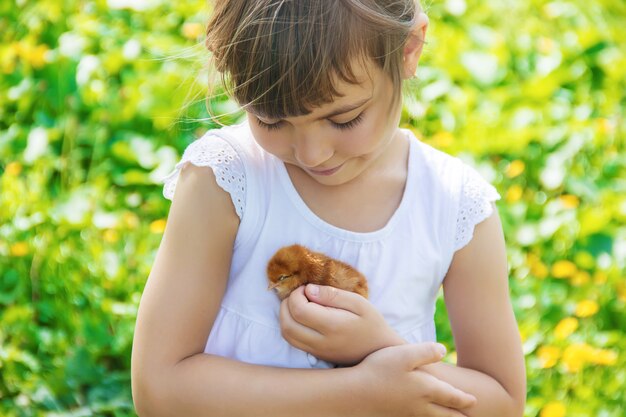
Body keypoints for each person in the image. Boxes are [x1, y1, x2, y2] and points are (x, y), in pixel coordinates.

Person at [131, 1, 526, 416]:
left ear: (409, 49)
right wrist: (359, 391)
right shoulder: (227, 180)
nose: (312, 153)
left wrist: (377, 348)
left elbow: (501, 402)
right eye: (271, 120)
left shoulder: (453, 204)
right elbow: (159, 388)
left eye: (345, 119)